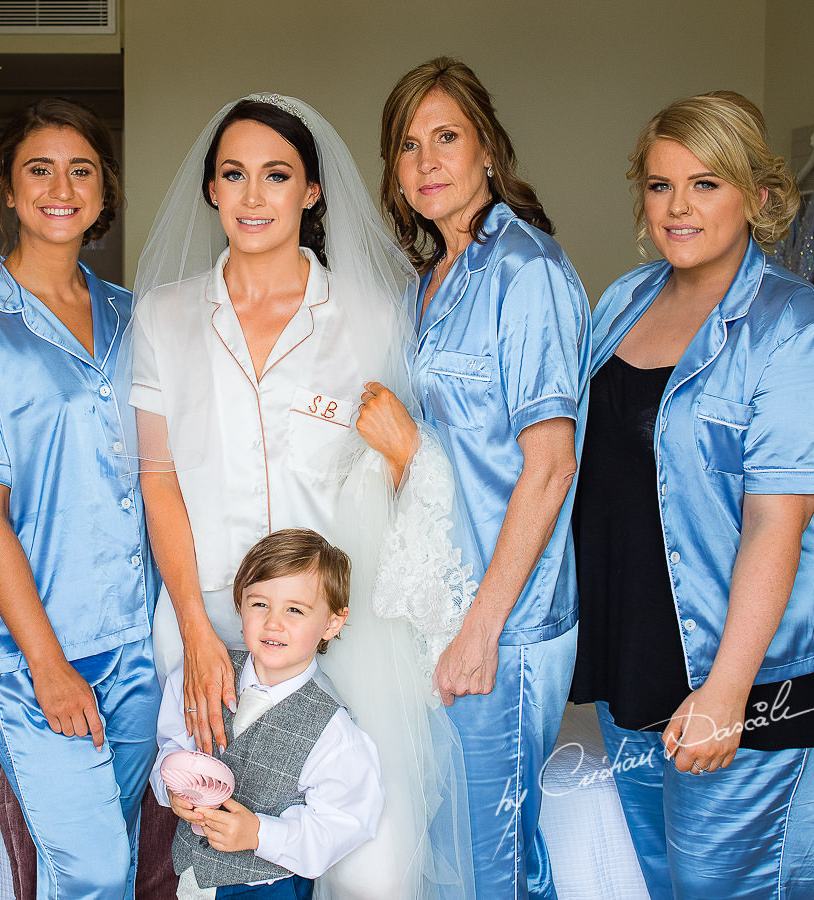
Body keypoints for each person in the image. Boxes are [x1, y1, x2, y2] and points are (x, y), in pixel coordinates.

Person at [132, 92, 475, 898]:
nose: (254, 198)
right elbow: (159, 480)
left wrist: (402, 458)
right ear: (212, 189)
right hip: (210, 616)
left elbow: (402, 469)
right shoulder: (166, 316)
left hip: (338, 630)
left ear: (312, 191)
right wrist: (194, 632)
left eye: (277, 176)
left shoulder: (368, 314)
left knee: (370, 861)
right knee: (222, 849)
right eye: (235, 175)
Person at [569, 91, 814, 898]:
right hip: (639, 657)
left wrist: (729, 690)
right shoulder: (623, 300)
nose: (678, 207)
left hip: (754, 672)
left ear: (760, 197)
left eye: (705, 184)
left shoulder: (795, 331)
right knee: (669, 883)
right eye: (660, 186)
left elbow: (778, 524)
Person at [0, 97, 160, 900]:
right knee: (93, 869)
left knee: (113, 856)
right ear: (6, 186)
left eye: (81, 169)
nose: (61, 186)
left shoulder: (133, 317)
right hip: (43, 653)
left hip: (140, 636)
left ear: (105, 190)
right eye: (39, 168)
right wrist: (49, 665)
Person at [377, 57, 590, 899]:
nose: (427, 160)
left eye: (447, 137)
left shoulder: (524, 271)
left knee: (488, 862)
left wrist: (482, 628)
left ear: (489, 151)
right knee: (452, 855)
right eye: (407, 144)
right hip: (437, 606)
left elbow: (551, 463)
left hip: (506, 620)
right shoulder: (424, 284)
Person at [152, 528, 385, 900]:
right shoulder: (203, 677)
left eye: (294, 609)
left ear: (332, 623)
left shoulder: (332, 731)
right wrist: (171, 790)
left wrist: (260, 833)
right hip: (191, 882)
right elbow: (171, 744)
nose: (274, 622)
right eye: (260, 604)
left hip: (267, 888)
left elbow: (341, 824)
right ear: (239, 606)